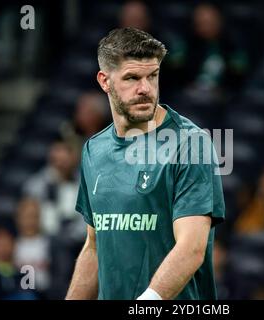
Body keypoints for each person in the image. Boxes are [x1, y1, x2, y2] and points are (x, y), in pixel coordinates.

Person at [66, 27, 225, 300]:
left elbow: (191, 249)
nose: (145, 89)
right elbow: (94, 246)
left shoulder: (190, 144)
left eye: (153, 76)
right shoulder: (94, 149)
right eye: (132, 78)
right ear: (104, 81)